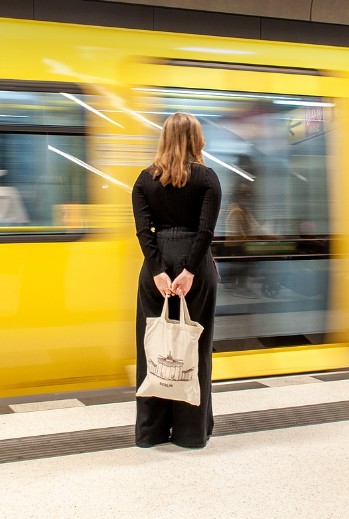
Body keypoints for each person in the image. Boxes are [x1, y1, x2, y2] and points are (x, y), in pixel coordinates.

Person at [132, 112, 221, 449]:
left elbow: (144, 230)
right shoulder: (207, 178)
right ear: (196, 139)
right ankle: (189, 433)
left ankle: (150, 432)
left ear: (165, 138)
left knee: (153, 348)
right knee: (195, 348)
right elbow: (206, 231)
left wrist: (157, 271)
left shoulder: (144, 180)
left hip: (154, 271)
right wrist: (190, 271)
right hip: (195, 267)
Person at [224, 178, 267, 298]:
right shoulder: (236, 211)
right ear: (237, 195)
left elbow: (256, 228)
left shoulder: (245, 210)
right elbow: (239, 236)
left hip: (242, 245)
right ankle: (241, 288)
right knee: (245, 260)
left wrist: (272, 237)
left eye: (249, 192)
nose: (248, 195)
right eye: (244, 192)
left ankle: (235, 283)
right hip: (238, 247)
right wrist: (258, 240)